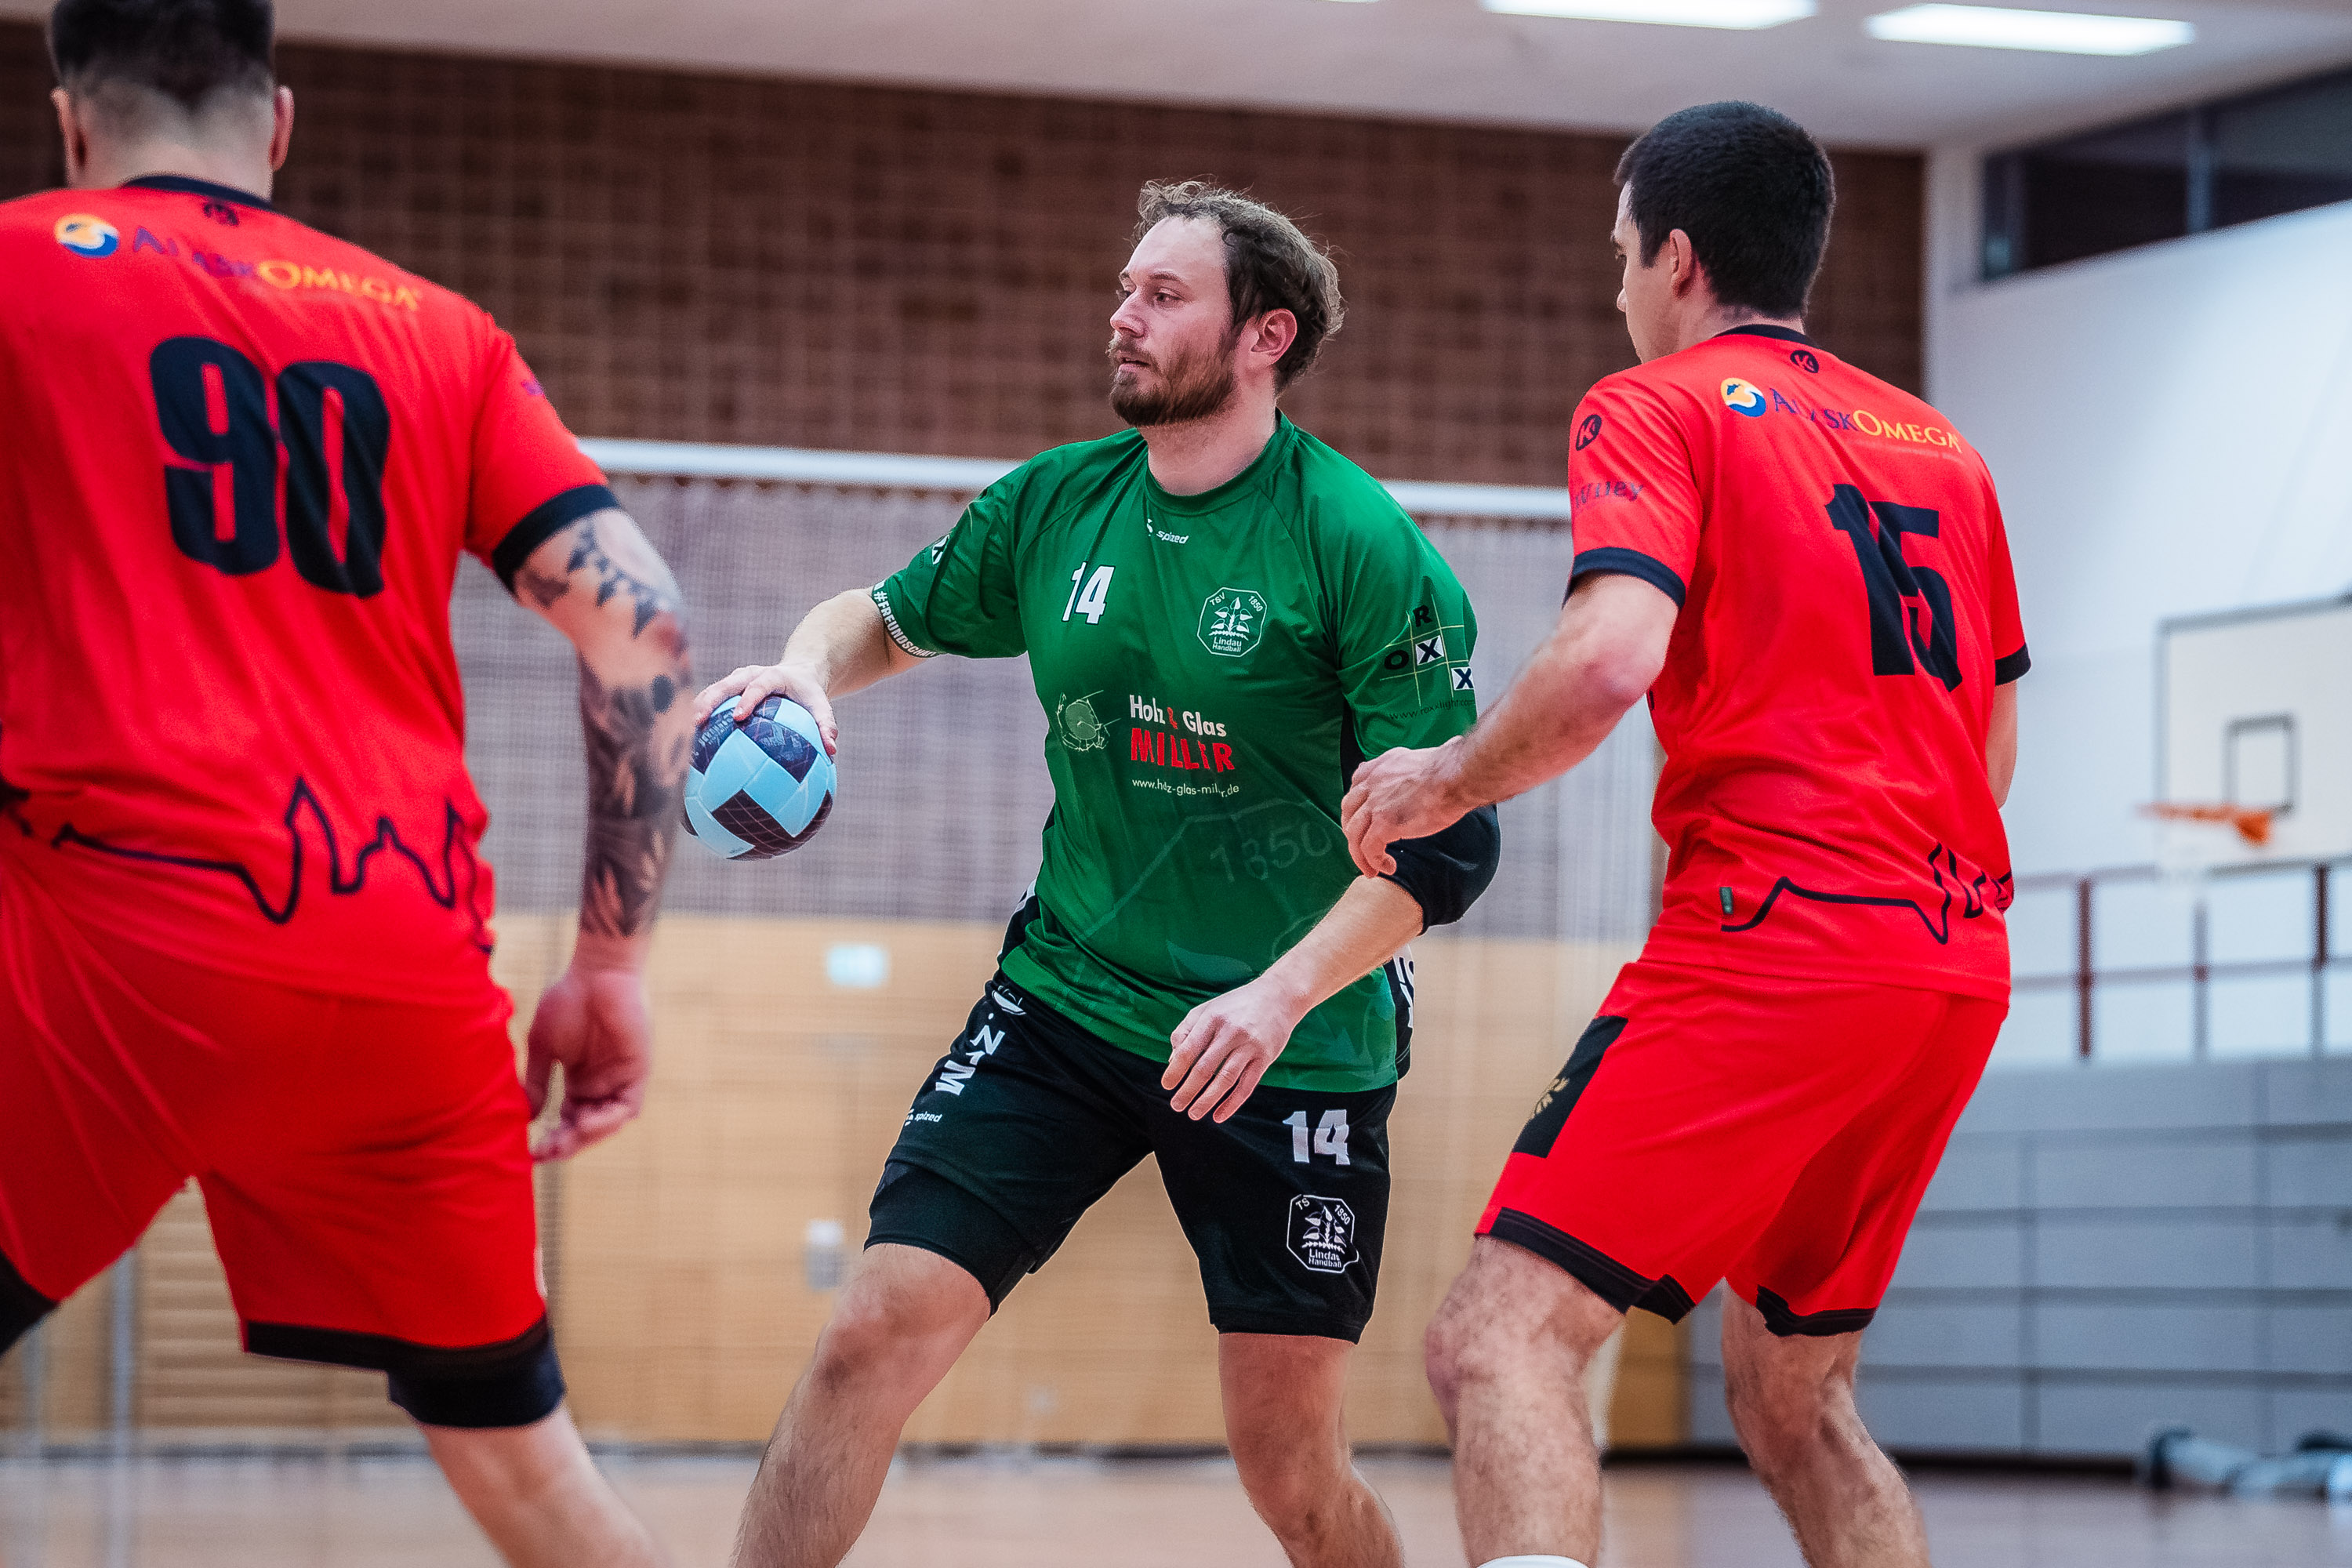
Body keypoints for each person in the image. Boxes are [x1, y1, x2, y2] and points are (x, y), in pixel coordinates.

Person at [699, 180, 1501, 1568]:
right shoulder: (1060, 501)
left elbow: (1449, 849)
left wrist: (1278, 996)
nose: (1122, 315)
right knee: (868, 1335)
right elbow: (883, 618)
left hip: (1286, 1042)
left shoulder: (1358, 543)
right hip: (1067, 1000)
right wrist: (807, 673)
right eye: (1127, 288)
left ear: (1265, 336)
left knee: (1290, 1470)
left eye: (1164, 295)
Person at [0, 4, 691, 1564]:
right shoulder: (441, 331)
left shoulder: (19, 266)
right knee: (533, 1479)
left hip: (114, 955)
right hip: (399, 968)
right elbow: (644, 624)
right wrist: (607, 965)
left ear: (71, 123)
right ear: (279, 121)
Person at [1342, 102, 2029, 1568]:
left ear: (1676, 257)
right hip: (1952, 965)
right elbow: (1993, 741)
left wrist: (1445, 779)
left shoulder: (1653, 406)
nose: (1617, 292)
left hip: (1777, 944)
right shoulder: (1947, 451)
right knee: (1796, 1399)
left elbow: (1607, 660)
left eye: (1619, 258)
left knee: (1497, 1341)